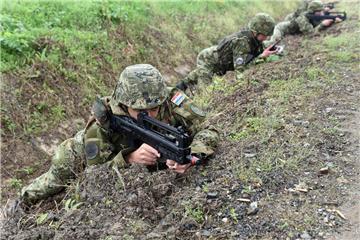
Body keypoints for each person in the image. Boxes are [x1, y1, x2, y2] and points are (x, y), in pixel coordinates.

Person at [11, 64, 219, 208]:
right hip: (81, 154)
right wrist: (128, 159)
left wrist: (193, 155)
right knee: (51, 183)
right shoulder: (102, 125)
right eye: (141, 110)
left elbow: (209, 127)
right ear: (124, 103)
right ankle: (19, 201)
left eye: (155, 107)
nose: (151, 114)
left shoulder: (171, 99)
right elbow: (95, 175)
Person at [176, 13, 278, 93]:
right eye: (265, 35)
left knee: (191, 79)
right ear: (256, 31)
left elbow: (258, 48)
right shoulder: (242, 42)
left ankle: (176, 89)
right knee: (206, 94)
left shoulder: (253, 39)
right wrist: (262, 57)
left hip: (216, 63)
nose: (266, 38)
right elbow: (241, 71)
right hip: (207, 60)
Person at [265, 0, 343, 46]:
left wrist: (332, 19)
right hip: (283, 27)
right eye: (319, 11)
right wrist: (322, 25)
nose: (321, 13)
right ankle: (264, 44)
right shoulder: (303, 18)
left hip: (293, 20)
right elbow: (310, 33)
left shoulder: (314, 15)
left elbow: (320, 20)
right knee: (274, 38)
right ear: (313, 11)